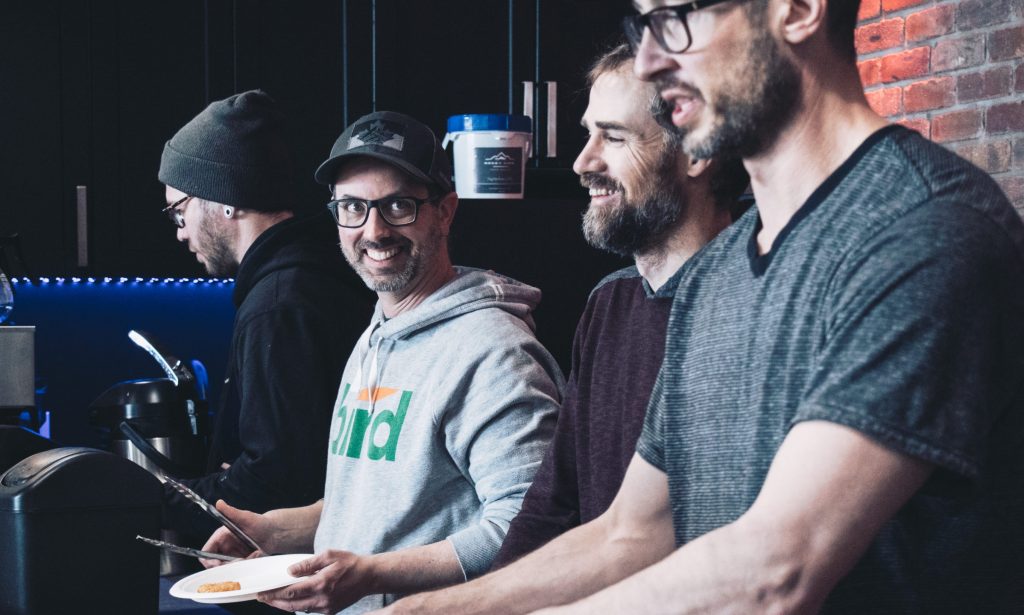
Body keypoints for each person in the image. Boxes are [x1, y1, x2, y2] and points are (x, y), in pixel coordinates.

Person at [380, 0, 1024, 613]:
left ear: (798, 10)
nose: (654, 60)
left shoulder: (923, 232)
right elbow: (629, 535)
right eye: (643, 26)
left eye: (676, 19)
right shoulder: (715, 273)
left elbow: (776, 572)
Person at [201, 110, 564, 614]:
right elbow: (389, 499)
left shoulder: (494, 353)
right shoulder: (376, 334)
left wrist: (371, 576)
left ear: (445, 211)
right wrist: (279, 530)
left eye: (398, 206)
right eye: (352, 206)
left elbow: (526, 524)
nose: (374, 230)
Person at [491, 43, 747, 568]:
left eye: (614, 136)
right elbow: (554, 502)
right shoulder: (610, 302)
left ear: (697, 151)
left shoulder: (753, 307)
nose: (583, 162)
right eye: (589, 133)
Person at [157, 90, 372, 546]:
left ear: (225, 200)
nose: (181, 233)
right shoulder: (318, 271)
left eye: (180, 211)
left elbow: (276, 483)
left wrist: (154, 499)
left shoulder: (278, 306)